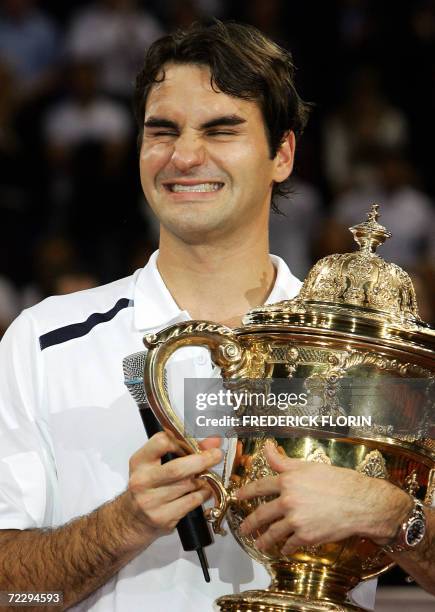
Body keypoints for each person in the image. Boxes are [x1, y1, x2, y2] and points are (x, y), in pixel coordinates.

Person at [0, 20, 306, 612]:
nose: (185, 156)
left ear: (283, 154)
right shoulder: (43, 342)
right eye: (162, 131)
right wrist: (125, 522)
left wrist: (396, 518)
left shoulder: (365, 350)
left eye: (222, 130)